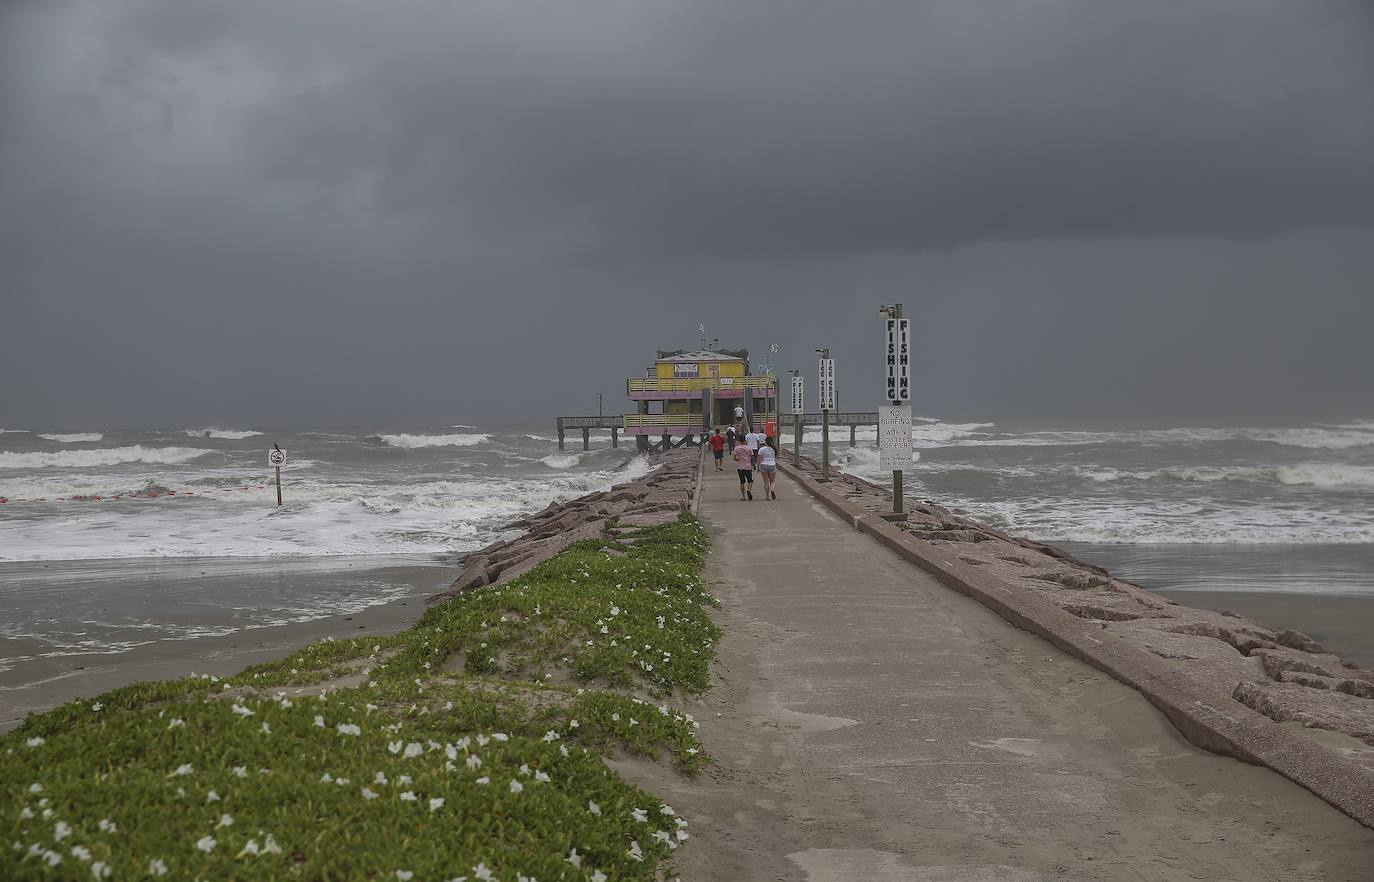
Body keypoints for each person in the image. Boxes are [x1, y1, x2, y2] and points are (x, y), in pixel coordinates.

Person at [757, 435, 778, 499]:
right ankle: (772, 490)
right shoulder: (774, 449)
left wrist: (758, 467)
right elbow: (775, 458)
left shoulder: (762, 449)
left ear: (765, 442)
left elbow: (759, 459)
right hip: (772, 465)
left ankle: (767, 496)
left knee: (766, 481)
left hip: (764, 465)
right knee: (772, 481)